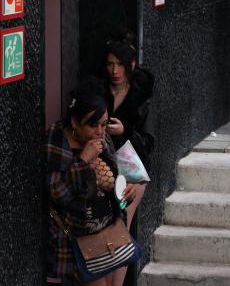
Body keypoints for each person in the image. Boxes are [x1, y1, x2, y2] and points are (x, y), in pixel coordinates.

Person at [45, 80, 137, 285]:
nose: (100, 131)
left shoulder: (102, 140)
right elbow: (57, 194)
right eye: (93, 124)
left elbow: (114, 185)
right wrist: (83, 160)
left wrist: (124, 196)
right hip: (76, 243)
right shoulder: (58, 141)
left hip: (106, 236)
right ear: (75, 123)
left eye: (104, 124)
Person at [102, 39, 154, 285]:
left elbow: (149, 142)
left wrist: (124, 132)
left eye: (120, 65)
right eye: (110, 64)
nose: (114, 71)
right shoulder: (99, 91)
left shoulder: (142, 97)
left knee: (120, 226)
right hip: (102, 167)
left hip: (132, 167)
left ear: (131, 65)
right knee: (105, 229)